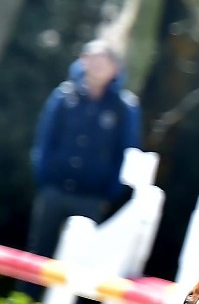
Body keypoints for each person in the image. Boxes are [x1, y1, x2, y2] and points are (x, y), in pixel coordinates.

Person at [27, 40, 142, 260]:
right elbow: (45, 140)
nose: (97, 65)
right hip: (54, 189)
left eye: (104, 60)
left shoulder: (124, 108)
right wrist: (45, 179)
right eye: (92, 58)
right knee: (38, 256)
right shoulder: (63, 97)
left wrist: (109, 194)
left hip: (92, 197)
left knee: (76, 262)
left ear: (116, 69)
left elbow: (126, 153)